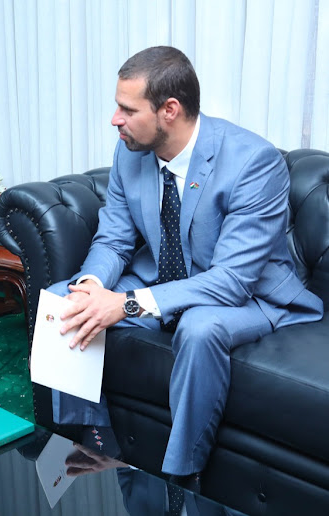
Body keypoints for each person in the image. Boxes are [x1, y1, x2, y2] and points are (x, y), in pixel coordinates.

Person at [47, 46, 323, 491]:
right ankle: (91, 436)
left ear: (169, 110)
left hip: (251, 293)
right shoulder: (129, 153)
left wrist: (128, 305)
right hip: (166, 274)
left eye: (126, 109)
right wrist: (93, 286)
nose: (115, 119)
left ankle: (181, 473)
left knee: (199, 327)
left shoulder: (253, 162)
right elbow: (114, 239)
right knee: (67, 296)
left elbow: (233, 279)